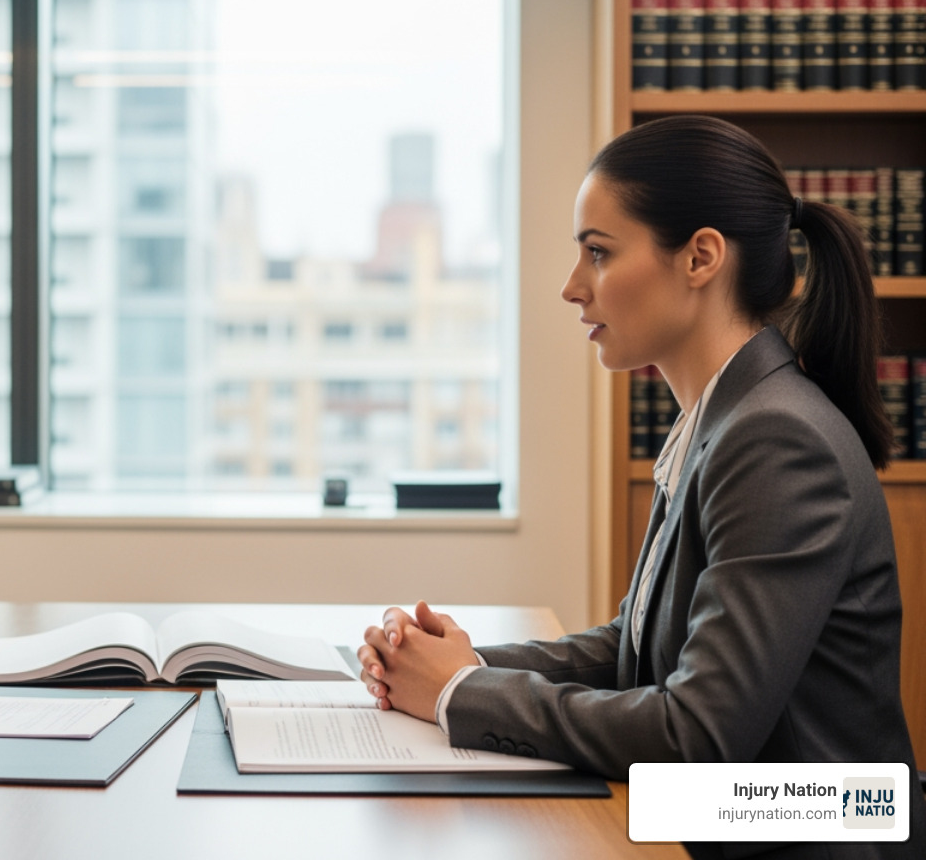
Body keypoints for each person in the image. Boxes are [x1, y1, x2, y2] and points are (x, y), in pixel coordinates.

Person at [359, 115, 923, 857]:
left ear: (700, 258)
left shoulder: (776, 440)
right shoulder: (725, 416)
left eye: (598, 253)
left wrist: (460, 692)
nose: (571, 287)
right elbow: (636, 647)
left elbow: (696, 735)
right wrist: (457, 664)